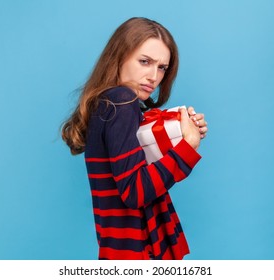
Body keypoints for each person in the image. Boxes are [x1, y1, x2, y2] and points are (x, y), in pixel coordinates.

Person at [62, 17, 208, 260]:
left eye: (162, 67)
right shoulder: (121, 101)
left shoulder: (110, 103)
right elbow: (135, 191)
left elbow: (137, 165)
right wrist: (188, 147)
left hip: (123, 250)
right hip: (137, 253)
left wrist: (178, 131)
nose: (154, 76)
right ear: (119, 56)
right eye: (145, 62)